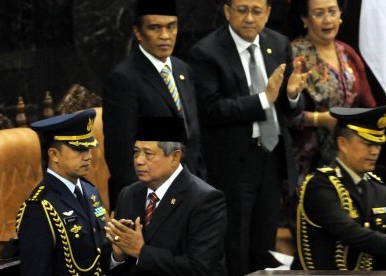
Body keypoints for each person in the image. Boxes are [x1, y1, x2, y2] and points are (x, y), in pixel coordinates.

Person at [188, 0, 310, 273]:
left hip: (271, 159)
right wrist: (263, 99)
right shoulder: (206, 52)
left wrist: (292, 95)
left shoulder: (278, 44)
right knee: (236, 244)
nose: (249, 18)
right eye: (242, 10)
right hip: (232, 164)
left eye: (257, 11)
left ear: (267, 13)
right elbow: (211, 109)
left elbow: (289, 107)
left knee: (264, 242)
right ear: (227, 11)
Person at [102, 0, 205, 211]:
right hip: (152, 200)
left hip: (189, 191)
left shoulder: (182, 69)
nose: (165, 35)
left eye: (171, 26)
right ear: (138, 33)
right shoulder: (124, 79)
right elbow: (121, 156)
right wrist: (147, 203)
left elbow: (191, 135)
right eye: (155, 28)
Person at [105, 116, 228, 276]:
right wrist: (118, 256)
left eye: (148, 154)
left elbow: (200, 268)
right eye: (136, 152)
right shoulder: (128, 195)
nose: (139, 161)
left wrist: (141, 251)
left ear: (174, 158)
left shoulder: (206, 200)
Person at [292, 105, 386, 270]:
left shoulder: (379, 188)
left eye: (378, 145)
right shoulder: (320, 185)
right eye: (367, 144)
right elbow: (351, 233)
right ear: (343, 144)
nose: (375, 151)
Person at [288, 0, 376, 181]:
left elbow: (370, 106)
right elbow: (281, 114)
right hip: (307, 164)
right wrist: (319, 119)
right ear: (305, 19)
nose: (328, 20)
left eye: (332, 12)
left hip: (348, 159)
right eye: (319, 14)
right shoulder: (293, 55)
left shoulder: (348, 53)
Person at [16, 109, 110, 275]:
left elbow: (99, 255)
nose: (88, 156)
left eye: (89, 149)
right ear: (54, 155)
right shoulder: (40, 208)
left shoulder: (90, 190)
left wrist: (118, 253)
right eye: (79, 150)